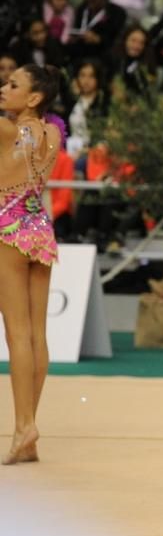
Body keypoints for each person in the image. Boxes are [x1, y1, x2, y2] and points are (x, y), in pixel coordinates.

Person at [0, 64, 63, 465]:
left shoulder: (5, 130)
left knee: (17, 335)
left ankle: (25, 426)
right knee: (37, 334)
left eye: (12, 85)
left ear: (34, 97)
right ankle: (29, 431)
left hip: (6, 229)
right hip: (40, 229)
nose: (3, 89)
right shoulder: (54, 133)